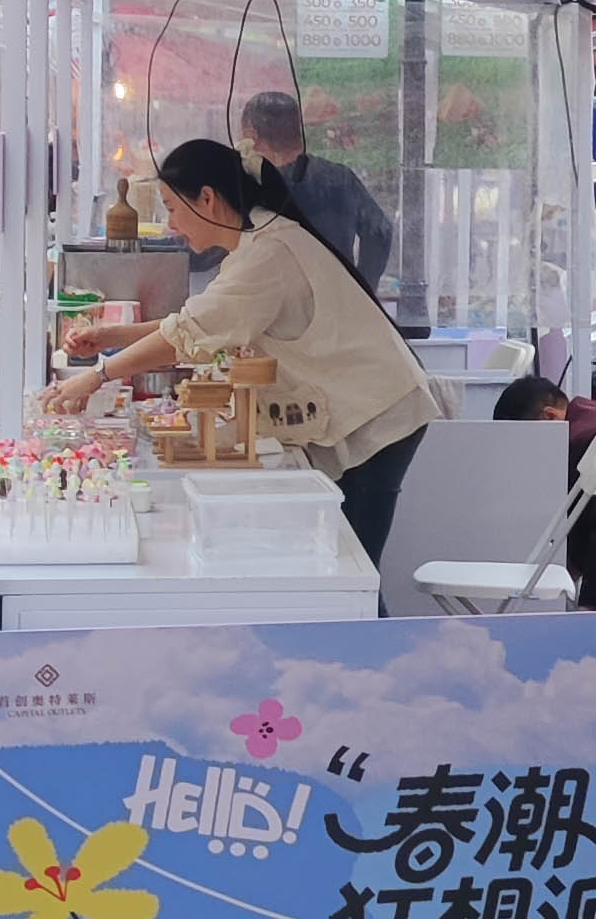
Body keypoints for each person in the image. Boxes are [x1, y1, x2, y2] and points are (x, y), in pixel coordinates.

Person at [47, 136, 440, 571]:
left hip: (380, 414)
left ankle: (367, 617)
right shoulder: (257, 243)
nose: (172, 224)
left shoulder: (268, 252)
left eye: (172, 208)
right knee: (342, 563)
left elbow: (192, 332)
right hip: (369, 405)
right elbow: (200, 322)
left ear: (207, 198)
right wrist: (113, 336)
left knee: (351, 570)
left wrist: (98, 375)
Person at [492, 367, 596, 606]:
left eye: (526, 440)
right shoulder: (588, 415)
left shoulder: (581, 438)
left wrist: (587, 606)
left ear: (549, 416)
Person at [236, 90, 395, 294]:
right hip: (335, 299)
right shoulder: (340, 179)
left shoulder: (251, 187)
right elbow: (380, 231)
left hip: (272, 304)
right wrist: (362, 288)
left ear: (251, 136)